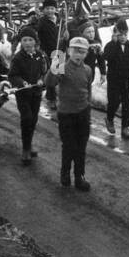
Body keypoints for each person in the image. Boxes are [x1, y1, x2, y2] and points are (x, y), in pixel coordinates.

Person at [47, 37, 95, 191]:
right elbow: (50, 82)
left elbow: (88, 89)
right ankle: (65, 172)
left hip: (83, 113)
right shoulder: (62, 67)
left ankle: (79, 176)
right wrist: (54, 67)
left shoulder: (88, 70)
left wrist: (88, 108)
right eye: (75, 50)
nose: (78, 54)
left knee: (81, 146)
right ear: (68, 51)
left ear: (86, 53)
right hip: (66, 114)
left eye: (82, 51)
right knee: (69, 146)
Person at [8, 27, 48, 164]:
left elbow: (45, 71)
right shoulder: (18, 57)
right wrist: (21, 82)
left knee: (34, 118)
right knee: (26, 118)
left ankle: (30, 144)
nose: (27, 43)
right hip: (23, 94)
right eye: (24, 40)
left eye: (30, 40)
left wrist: (42, 80)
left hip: (36, 93)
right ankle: (25, 148)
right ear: (21, 42)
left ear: (35, 41)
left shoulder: (40, 55)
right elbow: (12, 75)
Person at [102, 19, 129, 139]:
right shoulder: (110, 46)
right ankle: (109, 118)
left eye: (125, 35)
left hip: (128, 80)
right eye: (120, 35)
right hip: (114, 79)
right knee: (114, 101)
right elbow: (107, 57)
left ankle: (125, 127)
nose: (123, 37)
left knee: (127, 103)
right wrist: (114, 43)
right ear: (115, 35)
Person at [37, 0, 61, 106]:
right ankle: (51, 98)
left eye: (52, 8)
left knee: (60, 74)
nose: (50, 11)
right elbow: (38, 37)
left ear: (55, 9)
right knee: (51, 74)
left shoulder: (60, 20)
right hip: (48, 52)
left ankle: (58, 95)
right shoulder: (42, 22)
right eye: (47, 8)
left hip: (60, 51)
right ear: (43, 10)